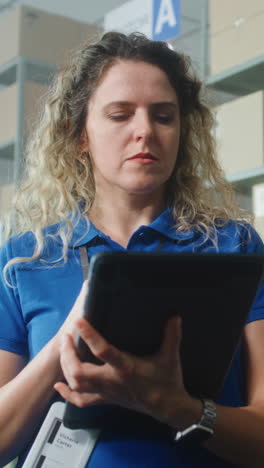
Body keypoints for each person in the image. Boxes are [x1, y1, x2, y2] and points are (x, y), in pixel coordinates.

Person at [0, 31, 264, 468]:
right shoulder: (24, 260)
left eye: (163, 116)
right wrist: (67, 337)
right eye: (120, 115)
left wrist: (174, 405)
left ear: (182, 131)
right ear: (79, 134)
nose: (144, 131)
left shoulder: (233, 246)